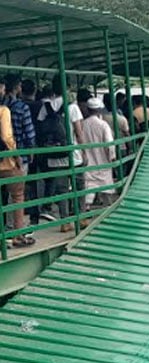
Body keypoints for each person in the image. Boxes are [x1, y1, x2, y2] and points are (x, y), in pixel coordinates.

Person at [36, 75, 85, 232]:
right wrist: (84, 151)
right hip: (72, 153)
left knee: (62, 189)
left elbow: (40, 129)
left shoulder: (46, 107)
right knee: (79, 185)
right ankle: (80, 217)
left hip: (54, 155)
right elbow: (79, 132)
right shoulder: (73, 107)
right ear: (68, 87)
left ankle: (65, 222)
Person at [0, 88, 35, 248]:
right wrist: (16, 156)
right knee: (17, 195)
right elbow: (6, 136)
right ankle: (18, 235)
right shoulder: (3, 110)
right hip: (5, 162)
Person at [81, 97, 116, 212]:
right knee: (106, 186)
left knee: (89, 185)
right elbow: (109, 143)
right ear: (100, 110)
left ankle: (86, 208)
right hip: (103, 160)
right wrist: (112, 157)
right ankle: (107, 209)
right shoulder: (103, 125)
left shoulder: (83, 124)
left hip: (88, 161)